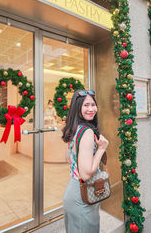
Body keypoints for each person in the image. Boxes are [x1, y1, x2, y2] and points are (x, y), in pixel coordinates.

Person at [62, 89, 109, 233]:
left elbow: (68, 158)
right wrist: (101, 149)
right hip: (82, 195)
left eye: (93, 104)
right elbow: (86, 174)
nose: (91, 109)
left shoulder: (75, 128)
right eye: (86, 105)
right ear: (78, 108)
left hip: (74, 190)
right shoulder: (87, 132)